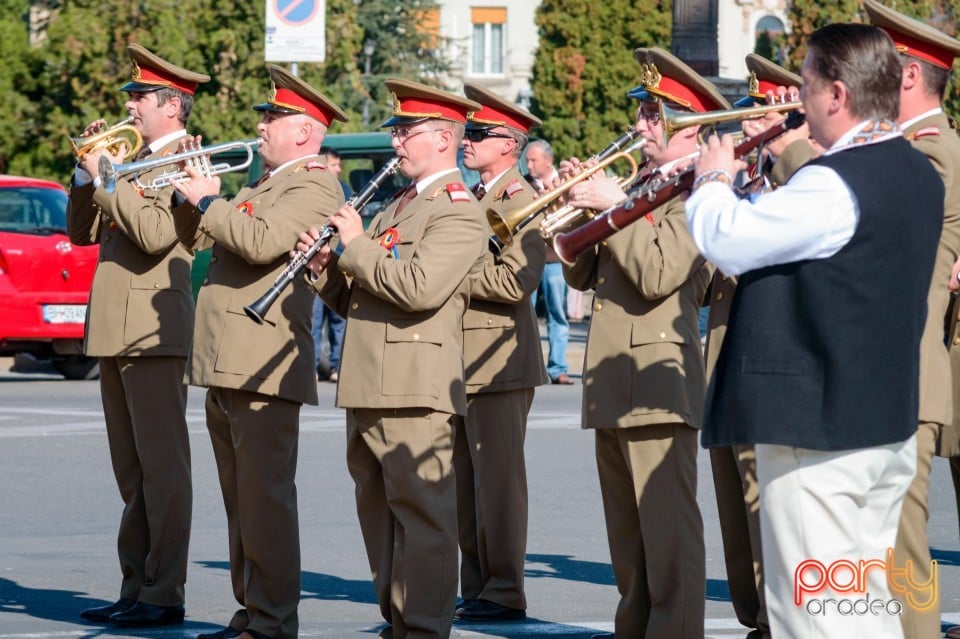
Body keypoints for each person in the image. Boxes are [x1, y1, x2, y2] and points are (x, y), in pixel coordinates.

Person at [686, 23, 943, 639]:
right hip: (881, 426)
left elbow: (727, 239)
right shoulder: (914, 172)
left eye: (803, 85)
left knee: (815, 617)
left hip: (819, 433)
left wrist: (714, 177)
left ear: (836, 95)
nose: (795, 100)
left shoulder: (833, 183)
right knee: (865, 605)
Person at [298, 78, 486, 639]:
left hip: (414, 385)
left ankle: (424, 626)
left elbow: (420, 287)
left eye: (407, 131)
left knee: (424, 518)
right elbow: (362, 295)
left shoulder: (457, 209)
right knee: (378, 516)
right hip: (369, 382)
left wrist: (354, 246)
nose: (397, 140)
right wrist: (323, 272)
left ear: (444, 138)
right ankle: (399, 619)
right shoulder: (399, 203)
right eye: (397, 129)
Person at [170, 64, 348, 639]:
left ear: (305, 131)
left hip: (264, 363)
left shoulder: (315, 185)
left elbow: (258, 240)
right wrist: (185, 192)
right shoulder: (263, 184)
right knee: (239, 499)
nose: (261, 126)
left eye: (272, 117)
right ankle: (250, 609)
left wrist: (208, 201)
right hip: (228, 358)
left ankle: (272, 620)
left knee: (265, 500)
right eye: (265, 116)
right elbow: (201, 236)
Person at [562, 47, 725, 638]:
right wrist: (573, 213)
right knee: (629, 547)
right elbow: (584, 274)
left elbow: (660, 274)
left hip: (658, 381)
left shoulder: (697, 191)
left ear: (687, 124)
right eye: (643, 112)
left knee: (668, 539)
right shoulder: (640, 185)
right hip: (613, 378)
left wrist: (617, 208)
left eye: (654, 113)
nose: (641, 125)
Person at [66, 43, 208, 628]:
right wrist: (84, 171)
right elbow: (81, 232)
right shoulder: (130, 161)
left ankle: (164, 591)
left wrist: (106, 177)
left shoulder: (186, 162)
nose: (132, 107)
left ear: (172, 106)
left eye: (140, 98)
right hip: (114, 326)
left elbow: (153, 233)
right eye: (132, 97)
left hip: (154, 328)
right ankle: (135, 583)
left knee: (163, 469)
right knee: (131, 470)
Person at [705, 53, 816, 639]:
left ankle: (780, 619)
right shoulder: (754, 180)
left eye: (755, 114)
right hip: (726, 357)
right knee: (735, 501)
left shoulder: (802, 180)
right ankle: (756, 616)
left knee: (765, 503)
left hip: (769, 368)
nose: (745, 126)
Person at [862, 2, 960, 636]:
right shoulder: (907, 149)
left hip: (906, 372)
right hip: (890, 372)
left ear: (905, 76)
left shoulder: (932, 153)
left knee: (903, 552)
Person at [452, 82, 548, 622]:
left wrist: (450, 273)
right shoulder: (476, 197)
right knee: (465, 484)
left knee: (498, 484)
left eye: (478, 134)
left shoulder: (520, 200)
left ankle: (505, 589)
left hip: (500, 360)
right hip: (464, 358)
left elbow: (517, 281)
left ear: (508, 144)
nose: (467, 141)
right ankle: (477, 585)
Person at [525, 139, 573, 384]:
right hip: (528, 257)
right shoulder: (524, 184)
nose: (529, 164)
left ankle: (558, 368)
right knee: (524, 315)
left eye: (533, 160)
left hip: (554, 258)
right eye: (527, 160)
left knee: (557, 314)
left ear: (548, 160)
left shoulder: (565, 182)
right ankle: (526, 366)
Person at [311, 146, 351, 383]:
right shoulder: (316, 188)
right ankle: (313, 368)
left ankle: (336, 366)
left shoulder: (344, 189)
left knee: (338, 322)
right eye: (335, 165)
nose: (339, 169)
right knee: (314, 321)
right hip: (321, 261)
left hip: (341, 258)